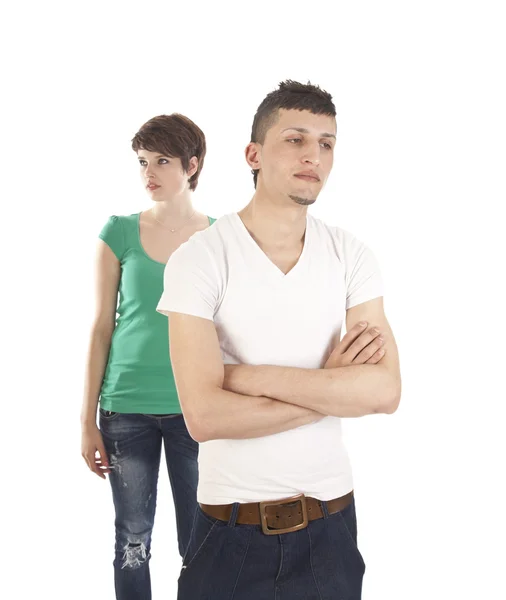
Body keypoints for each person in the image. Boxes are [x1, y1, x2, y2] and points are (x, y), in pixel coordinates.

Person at [157, 81, 402, 600]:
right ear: (254, 154)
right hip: (230, 530)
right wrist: (331, 386)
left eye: (326, 143)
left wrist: (243, 378)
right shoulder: (201, 259)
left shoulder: (350, 255)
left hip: (331, 527)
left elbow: (383, 393)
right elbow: (205, 417)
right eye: (295, 139)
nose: (313, 154)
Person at [80, 113, 215, 600]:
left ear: (191, 164)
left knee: (200, 543)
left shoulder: (220, 238)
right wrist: (86, 420)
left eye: (162, 160)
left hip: (194, 411)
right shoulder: (118, 232)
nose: (149, 172)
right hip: (125, 409)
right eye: (142, 161)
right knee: (132, 540)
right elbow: (100, 329)